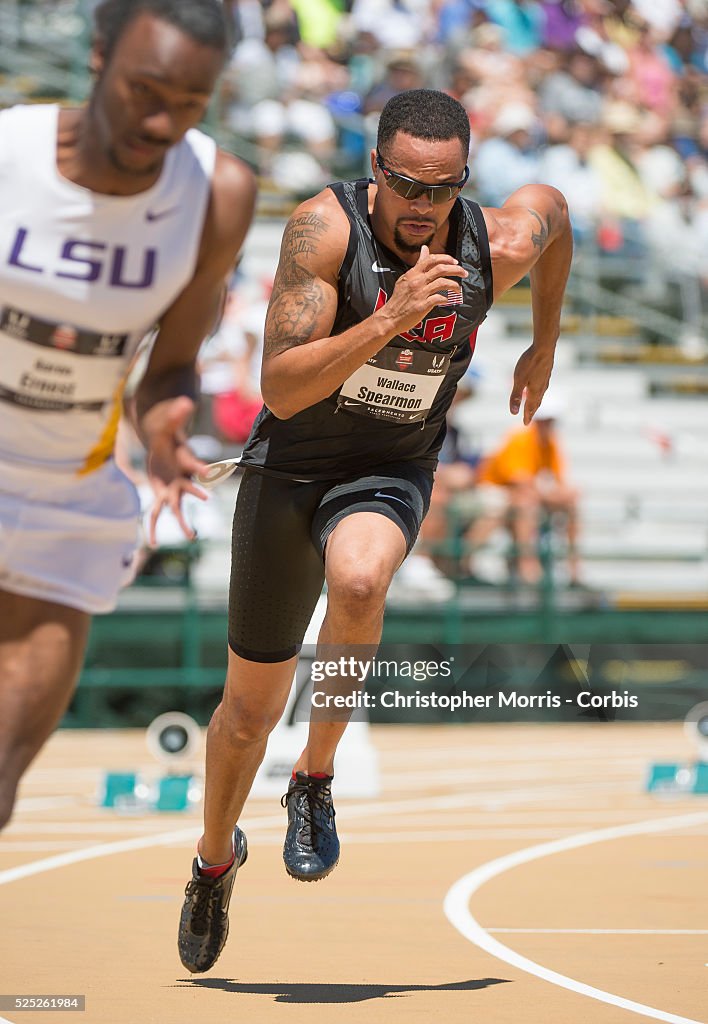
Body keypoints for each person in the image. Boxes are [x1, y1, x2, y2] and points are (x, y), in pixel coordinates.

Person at [177, 87, 572, 973]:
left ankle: (314, 780)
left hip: (389, 467)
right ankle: (213, 858)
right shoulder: (323, 232)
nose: (420, 207)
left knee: (361, 581)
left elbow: (557, 214)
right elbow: (280, 389)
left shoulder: (494, 242)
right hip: (290, 467)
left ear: (463, 181)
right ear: (374, 171)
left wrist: (542, 338)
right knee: (247, 712)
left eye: (440, 189)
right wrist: (391, 318)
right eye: (403, 185)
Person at [0, 0, 256, 833]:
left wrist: (162, 423)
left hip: (63, 499)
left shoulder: (214, 194)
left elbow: (171, 361)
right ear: (99, 56)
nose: (160, 121)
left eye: (188, 104)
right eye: (143, 89)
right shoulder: (9, 156)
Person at [472, 393, 581, 584]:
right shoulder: (520, 439)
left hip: (516, 492)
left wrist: (563, 496)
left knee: (566, 504)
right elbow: (518, 482)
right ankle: (526, 565)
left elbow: (556, 482)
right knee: (525, 505)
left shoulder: (550, 443)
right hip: (493, 489)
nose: (549, 425)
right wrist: (553, 495)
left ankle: (573, 566)